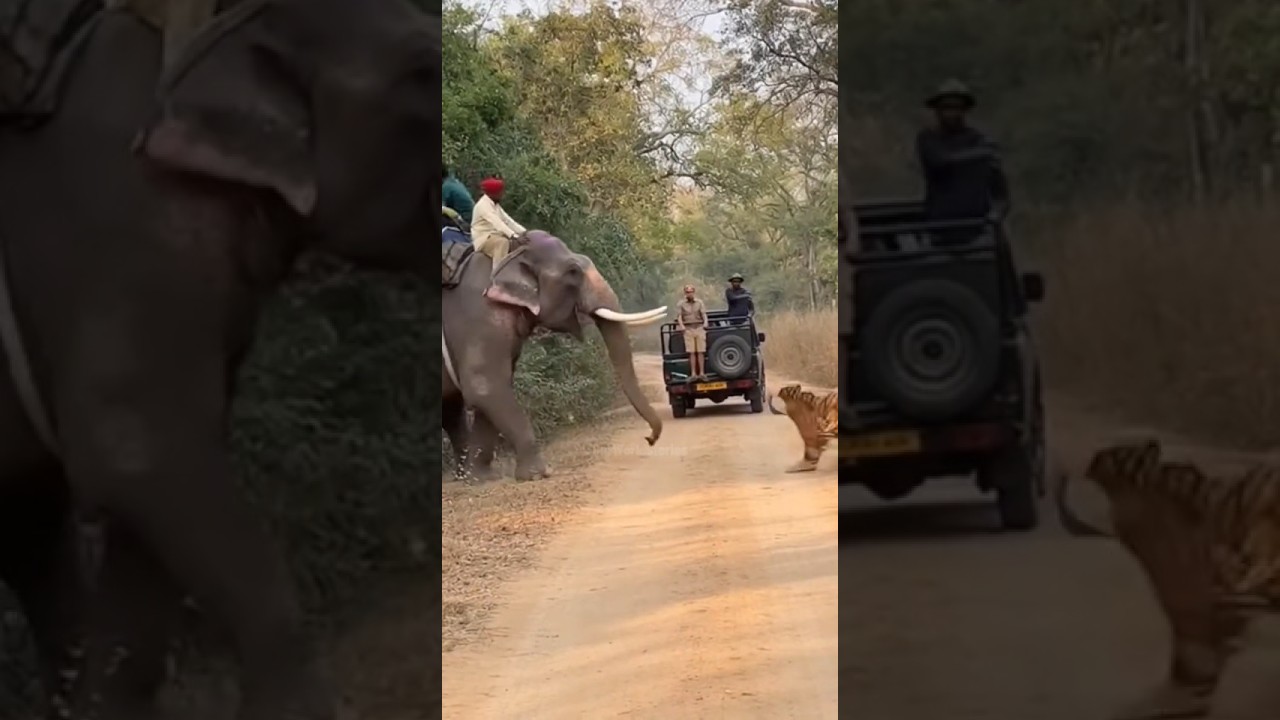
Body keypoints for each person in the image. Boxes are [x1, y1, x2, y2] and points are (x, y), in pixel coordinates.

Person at [916, 79, 1010, 226]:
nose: (952, 113)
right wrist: (980, 154)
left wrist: (996, 214)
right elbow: (939, 161)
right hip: (940, 224)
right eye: (946, 107)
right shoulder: (928, 138)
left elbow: (1000, 192)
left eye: (958, 107)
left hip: (978, 223)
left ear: (965, 110)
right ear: (937, 110)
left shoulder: (978, 139)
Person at [676, 284, 709, 381]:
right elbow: (679, 316)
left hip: (699, 327)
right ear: (685, 293)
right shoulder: (681, 304)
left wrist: (705, 323)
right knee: (691, 352)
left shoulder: (699, 302)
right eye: (687, 292)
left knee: (701, 351)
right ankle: (693, 373)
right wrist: (682, 326)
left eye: (691, 292)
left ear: (694, 292)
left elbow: (704, 314)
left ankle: (702, 373)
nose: (689, 294)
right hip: (688, 329)